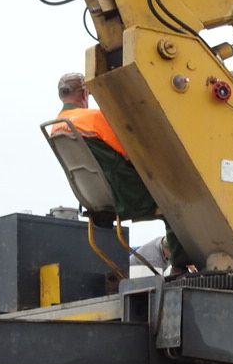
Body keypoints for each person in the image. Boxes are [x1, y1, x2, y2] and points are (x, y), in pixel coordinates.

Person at [50, 72, 179, 265]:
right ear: (84, 93)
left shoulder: (56, 128)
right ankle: (180, 264)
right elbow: (130, 153)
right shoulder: (93, 118)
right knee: (176, 202)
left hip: (93, 199)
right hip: (125, 194)